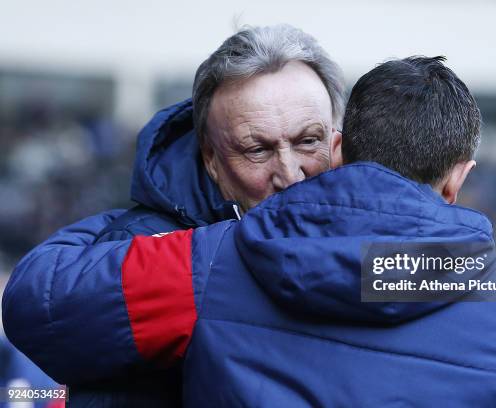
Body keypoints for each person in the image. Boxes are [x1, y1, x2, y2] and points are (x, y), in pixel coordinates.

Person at [4, 57, 496, 407]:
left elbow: (41, 301)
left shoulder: (212, 259)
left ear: (339, 150)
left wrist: (151, 212)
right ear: (460, 178)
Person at [1, 24, 345, 407]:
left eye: (308, 141)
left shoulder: (385, 242)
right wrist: (232, 261)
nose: (290, 173)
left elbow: (415, 276)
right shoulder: (138, 239)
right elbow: (37, 304)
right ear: (211, 159)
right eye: (257, 150)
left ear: (337, 141)